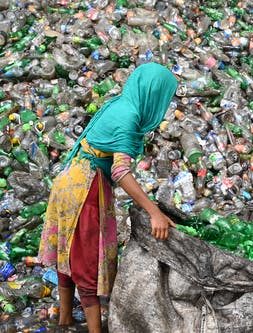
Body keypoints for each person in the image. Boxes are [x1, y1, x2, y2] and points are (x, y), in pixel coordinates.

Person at [38, 62, 178, 332]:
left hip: (69, 180)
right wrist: (153, 212)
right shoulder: (128, 117)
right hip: (85, 190)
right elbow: (121, 171)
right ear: (154, 94)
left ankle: (65, 321)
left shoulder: (120, 103)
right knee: (87, 260)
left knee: (68, 253)